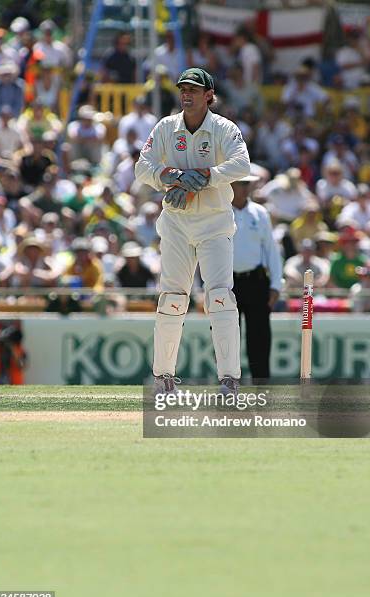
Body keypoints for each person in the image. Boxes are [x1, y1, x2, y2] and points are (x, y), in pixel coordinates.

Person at [135, 67, 250, 394]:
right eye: (183, 89)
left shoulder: (224, 129)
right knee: (172, 297)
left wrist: (206, 175)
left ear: (209, 96)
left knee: (219, 298)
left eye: (194, 90)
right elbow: (142, 167)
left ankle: (229, 379)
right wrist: (170, 174)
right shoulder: (167, 127)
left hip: (214, 223)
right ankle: (163, 378)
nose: (186, 95)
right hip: (176, 221)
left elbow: (242, 165)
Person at [231, 174, 282, 380]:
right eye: (240, 183)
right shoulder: (220, 212)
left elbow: (271, 250)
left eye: (247, 184)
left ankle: (262, 389)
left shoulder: (260, 213)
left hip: (256, 281)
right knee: (227, 338)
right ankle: (229, 386)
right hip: (228, 283)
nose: (245, 188)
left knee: (259, 339)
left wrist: (276, 285)